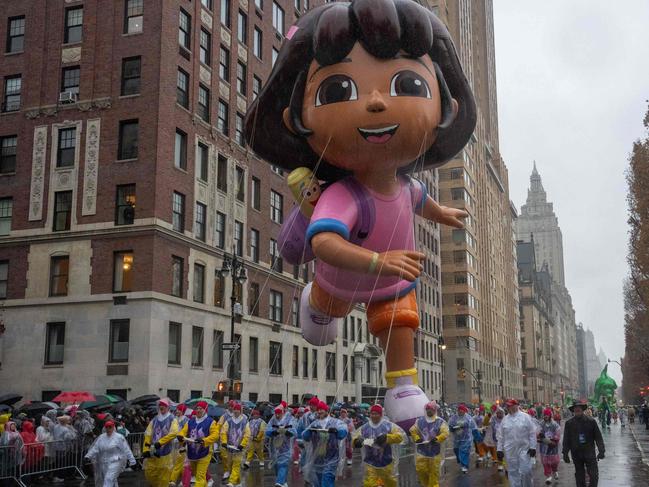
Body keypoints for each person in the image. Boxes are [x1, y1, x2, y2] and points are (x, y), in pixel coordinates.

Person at [244, 0, 476, 429]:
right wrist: (377, 260)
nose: (374, 102)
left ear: (448, 107)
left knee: (401, 320)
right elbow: (324, 243)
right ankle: (313, 304)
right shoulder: (344, 195)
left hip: (393, 286)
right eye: (337, 91)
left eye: (407, 84)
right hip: (342, 283)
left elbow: (419, 198)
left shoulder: (405, 185)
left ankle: (403, 383)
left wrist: (442, 212)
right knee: (329, 310)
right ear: (295, 118)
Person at [351, 404, 405, 487]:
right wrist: (356, 442)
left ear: (381, 414)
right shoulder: (364, 427)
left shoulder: (389, 426)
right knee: (369, 484)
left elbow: (401, 436)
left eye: (376, 414)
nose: (374, 416)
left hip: (387, 462)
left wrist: (387, 437)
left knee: (390, 483)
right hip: (370, 462)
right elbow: (355, 437)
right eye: (372, 413)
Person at [302, 401, 348, 487]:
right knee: (318, 483)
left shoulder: (335, 422)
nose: (319, 411)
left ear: (326, 410)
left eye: (322, 409)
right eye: (318, 410)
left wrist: (336, 431)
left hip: (332, 458)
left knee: (327, 479)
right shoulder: (315, 423)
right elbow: (305, 436)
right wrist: (309, 431)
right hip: (318, 459)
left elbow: (343, 431)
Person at [562, 399, 605, 487]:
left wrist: (601, 450)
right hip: (576, 453)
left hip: (589, 452)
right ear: (573, 410)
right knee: (579, 476)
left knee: (593, 475)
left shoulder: (591, 421)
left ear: (582, 409)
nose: (577, 409)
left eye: (579, 407)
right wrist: (565, 453)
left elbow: (598, 437)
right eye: (575, 408)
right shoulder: (569, 423)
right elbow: (566, 439)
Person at [176, 401, 219, 487]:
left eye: (201, 409)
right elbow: (183, 431)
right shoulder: (190, 421)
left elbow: (215, 435)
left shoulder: (211, 422)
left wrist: (204, 440)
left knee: (200, 476)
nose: (198, 410)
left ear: (205, 410)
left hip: (205, 452)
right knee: (196, 475)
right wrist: (180, 436)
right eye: (197, 408)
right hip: (192, 453)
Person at [496, 399, 537, 487]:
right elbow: (500, 436)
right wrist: (499, 449)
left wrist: (533, 447)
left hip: (524, 449)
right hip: (510, 451)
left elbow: (532, 433)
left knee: (526, 471)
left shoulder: (525, 417)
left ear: (516, 406)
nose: (508, 407)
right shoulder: (505, 420)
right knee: (513, 472)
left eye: (510, 405)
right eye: (507, 406)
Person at [408, 401, 449, 487]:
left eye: (431, 409)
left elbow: (445, 433)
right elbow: (413, 430)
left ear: (434, 410)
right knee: (421, 470)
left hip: (435, 452)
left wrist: (437, 438)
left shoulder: (440, 422)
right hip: (421, 452)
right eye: (427, 409)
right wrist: (417, 438)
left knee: (433, 474)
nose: (429, 411)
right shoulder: (420, 421)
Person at [84, 420, 136, 486]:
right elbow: (95, 448)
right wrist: (88, 456)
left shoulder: (119, 437)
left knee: (109, 478)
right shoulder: (101, 437)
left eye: (110, 427)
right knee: (111, 479)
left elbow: (126, 449)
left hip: (116, 461)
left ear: (113, 427)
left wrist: (132, 461)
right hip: (104, 462)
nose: (108, 429)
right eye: (107, 427)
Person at [142, 399, 179, 487]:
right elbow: (148, 433)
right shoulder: (155, 419)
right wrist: (145, 449)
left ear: (168, 407)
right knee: (150, 474)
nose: (161, 406)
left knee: (164, 477)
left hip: (165, 453)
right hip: (152, 452)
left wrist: (160, 443)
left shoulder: (172, 419)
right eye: (160, 405)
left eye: (164, 405)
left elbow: (173, 433)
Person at [219, 402, 251, 487]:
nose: (236, 411)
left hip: (239, 448)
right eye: (235, 409)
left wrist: (242, 445)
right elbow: (223, 432)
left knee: (236, 464)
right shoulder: (228, 421)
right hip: (230, 447)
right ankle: (238, 482)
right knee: (230, 464)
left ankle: (232, 482)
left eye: (238, 409)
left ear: (240, 411)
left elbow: (247, 434)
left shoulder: (245, 421)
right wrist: (224, 442)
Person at [266, 405, 298, 487]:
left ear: (283, 412)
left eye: (279, 413)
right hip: (275, 448)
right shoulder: (273, 420)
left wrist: (286, 432)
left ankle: (279, 482)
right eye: (276, 413)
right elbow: (267, 430)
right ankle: (283, 482)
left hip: (286, 448)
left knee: (283, 464)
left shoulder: (289, 419)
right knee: (277, 466)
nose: (277, 415)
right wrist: (274, 432)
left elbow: (294, 431)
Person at [448, 404, 477, 473]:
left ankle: (464, 466)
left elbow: (473, 426)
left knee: (464, 452)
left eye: (462, 410)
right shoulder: (454, 417)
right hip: (457, 438)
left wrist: (476, 435)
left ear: (464, 411)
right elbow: (450, 425)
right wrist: (451, 428)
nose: (460, 411)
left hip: (466, 438)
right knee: (456, 450)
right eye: (459, 410)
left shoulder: (468, 418)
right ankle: (460, 459)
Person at [538, 408, 561, 484]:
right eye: (544, 415)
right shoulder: (541, 424)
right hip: (544, 447)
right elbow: (538, 433)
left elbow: (558, 432)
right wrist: (539, 435)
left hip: (553, 446)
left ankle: (555, 471)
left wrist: (554, 440)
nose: (545, 416)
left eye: (547, 415)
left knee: (554, 461)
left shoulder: (554, 424)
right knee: (545, 462)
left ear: (550, 415)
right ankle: (548, 476)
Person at [169, 403, 190, 486]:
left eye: (179, 410)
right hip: (173, 444)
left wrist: (184, 443)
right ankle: (174, 479)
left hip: (182, 444)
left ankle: (182, 480)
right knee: (174, 462)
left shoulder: (186, 420)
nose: (177, 411)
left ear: (183, 411)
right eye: (177, 409)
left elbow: (187, 432)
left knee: (183, 463)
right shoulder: (174, 419)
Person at [217, 400, 235, 482]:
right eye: (230, 406)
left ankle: (233, 471)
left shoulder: (239, 415)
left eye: (233, 406)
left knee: (234, 457)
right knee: (224, 456)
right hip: (225, 439)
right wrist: (218, 435)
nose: (231, 407)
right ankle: (226, 471)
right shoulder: (224, 416)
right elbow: (219, 425)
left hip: (235, 439)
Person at [484, 407, 505, 471]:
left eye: (501, 413)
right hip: (497, 438)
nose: (500, 415)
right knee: (499, 452)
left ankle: (506, 465)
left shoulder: (506, 419)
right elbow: (491, 429)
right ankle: (500, 464)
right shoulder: (493, 419)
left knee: (506, 452)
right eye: (499, 413)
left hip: (506, 438)